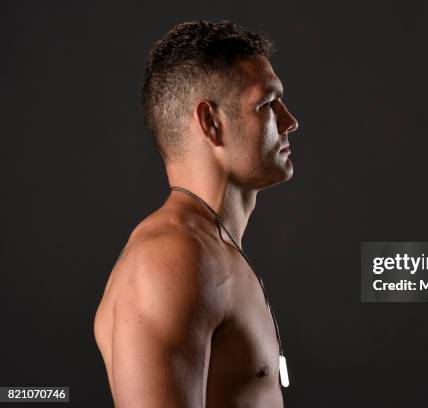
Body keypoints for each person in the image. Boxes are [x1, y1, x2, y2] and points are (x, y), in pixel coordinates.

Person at [93, 19, 299, 408]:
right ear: (211, 122)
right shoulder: (170, 259)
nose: (290, 121)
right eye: (268, 104)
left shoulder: (213, 249)